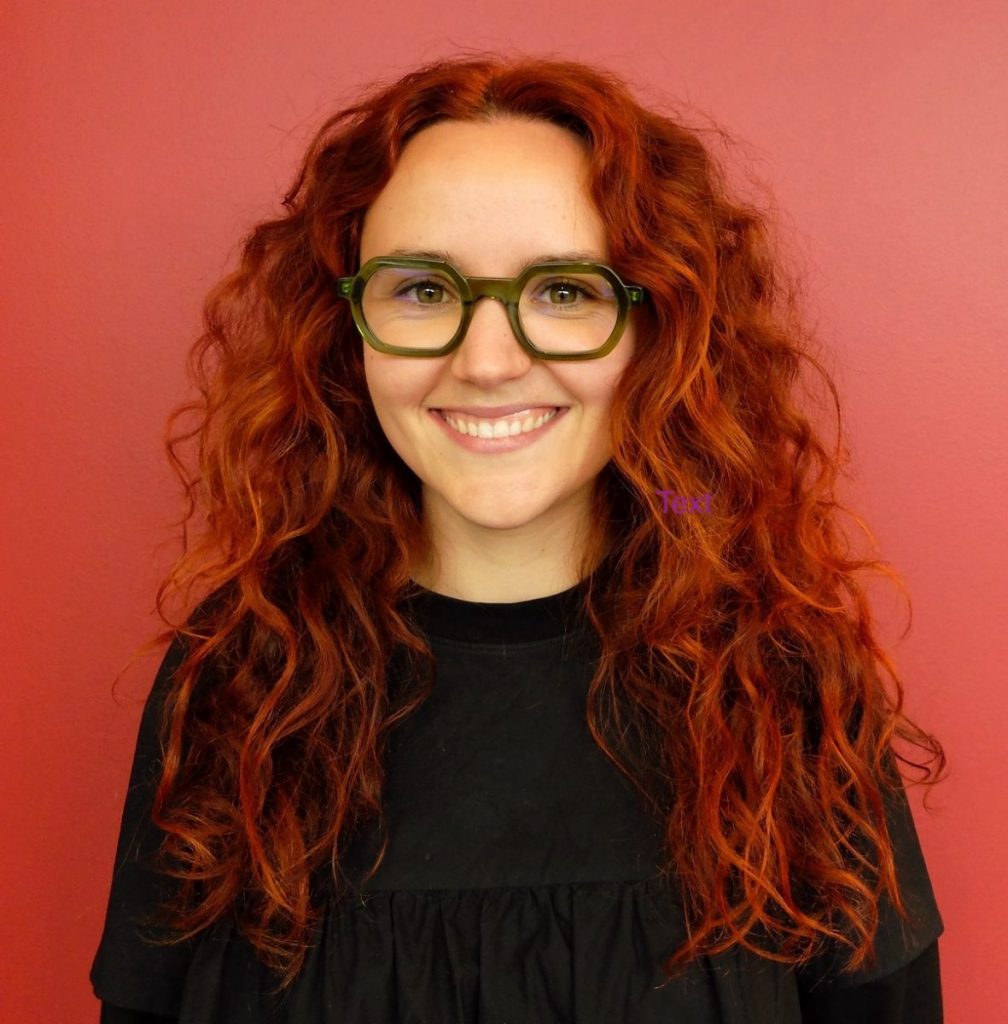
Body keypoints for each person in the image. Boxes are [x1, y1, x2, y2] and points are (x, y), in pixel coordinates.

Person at [90, 53, 946, 1023]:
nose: (488, 360)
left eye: (565, 292)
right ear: (346, 332)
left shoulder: (779, 673)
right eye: (423, 290)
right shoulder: (243, 671)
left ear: (657, 331)